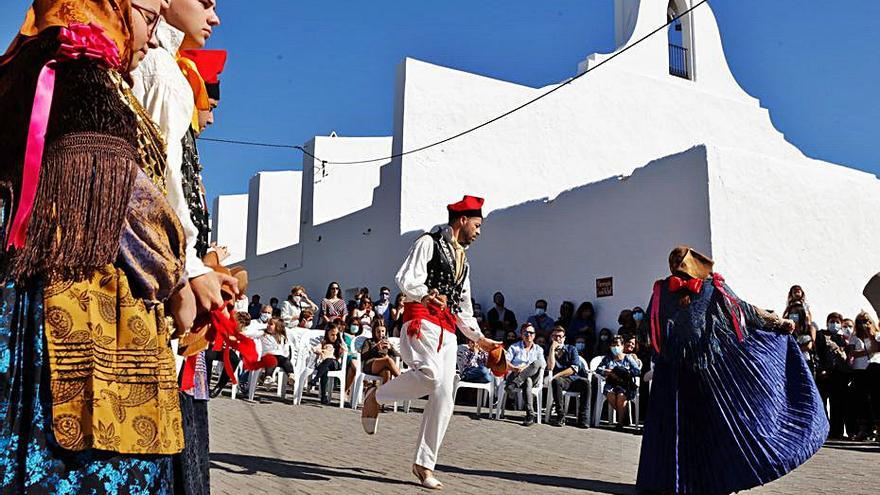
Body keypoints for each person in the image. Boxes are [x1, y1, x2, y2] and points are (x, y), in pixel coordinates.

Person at [0, 1, 185, 491]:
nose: (153, 32)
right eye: (149, 15)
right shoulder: (83, 79)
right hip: (84, 307)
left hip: (24, 299)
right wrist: (176, 273)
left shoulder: (27, 67)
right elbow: (130, 212)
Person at [636, 246, 827, 495]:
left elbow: (645, 331)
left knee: (674, 430)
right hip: (707, 374)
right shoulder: (713, 288)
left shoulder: (660, 292)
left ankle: (667, 483)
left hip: (671, 375)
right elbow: (748, 312)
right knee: (713, 428)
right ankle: (711, 481)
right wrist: (781, 323)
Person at [361, 195, 500, 490]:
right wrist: (425, 295)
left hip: (447, 330)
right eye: (477, 225)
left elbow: (463, 309)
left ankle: (424, 464)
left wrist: (481, 339)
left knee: (445, 395)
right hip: (421, 321)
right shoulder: (429, 242)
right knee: (431, 377)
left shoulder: (464, 262)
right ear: (462, 220)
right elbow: (406, 278)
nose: (479, 232)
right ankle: (377, 397)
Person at [546, 326, 592, 428]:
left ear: (564, 338)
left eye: (560, 336)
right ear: (551, 337)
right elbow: (550, 367)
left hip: (572, 379)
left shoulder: (572, 349)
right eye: (554, 336)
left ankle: (582, 418)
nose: (557, 339)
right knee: (556, 381)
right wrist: (552, 349)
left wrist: (557, 374)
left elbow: (574, 368)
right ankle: (560, 415)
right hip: (559, 381)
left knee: (586, 383)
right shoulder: (548, 349)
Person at [815, 312, 851, 439]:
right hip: (825, 374)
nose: (834, 324)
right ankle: (823, 430)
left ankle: (837, 432)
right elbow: (817, 353)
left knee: (838, 404)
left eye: (837, 322)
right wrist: (821, 369)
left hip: (839, 375)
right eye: (832, 321)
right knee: (822, 402)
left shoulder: (843, 339)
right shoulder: (821, 335)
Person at [504, 324, 546, 426]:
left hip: (532, 376)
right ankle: (530, 415)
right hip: (515, 373)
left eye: (531, 333)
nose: (528, 335)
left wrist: (526, 368)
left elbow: (543, 365)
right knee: (527, 380)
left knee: (537, 363)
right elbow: (505, 362)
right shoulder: (514, 347)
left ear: (534, 335)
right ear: (522, 335)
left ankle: (514, 384)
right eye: (526, 332)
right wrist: (515, 368)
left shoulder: (539, 349)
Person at [596, 336, 641, 429]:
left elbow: (637, 371)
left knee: (621, 396)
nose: (615, 347)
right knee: (610, 394)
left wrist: (624, 373)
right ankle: (624, 416)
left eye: (617, 345)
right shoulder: (608, 358)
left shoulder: (628, 358)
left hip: (625, 384)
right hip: (611, 383)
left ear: (622, 346)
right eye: (613, 345)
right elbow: (598, 369)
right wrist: (607, 372)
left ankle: (620, 423)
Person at [848, 312, 880, 441]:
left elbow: (876, 349)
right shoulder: (854, 337)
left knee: (875, 399)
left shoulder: (876, 335)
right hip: (859, 370)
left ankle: (877, 429)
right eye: (860, 321)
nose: (864, 324)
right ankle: (863, 429)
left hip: (874, 368)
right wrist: (866, 351)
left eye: (866, 321)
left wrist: (870, 337)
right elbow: (852, 353)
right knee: (861, 400)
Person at [310, 323, 346, 405]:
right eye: (332, 335)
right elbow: (315, 348)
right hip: (323, 364)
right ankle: (323, 397)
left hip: (335, 364)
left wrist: (341, 345)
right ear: (327, 334)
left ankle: (315, 379)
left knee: (329, 359)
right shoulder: (324, 343)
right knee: (325, 370)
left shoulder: (338, 344)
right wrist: (318, 351)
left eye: (336, 335)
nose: (334, 337)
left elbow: (345, 350)